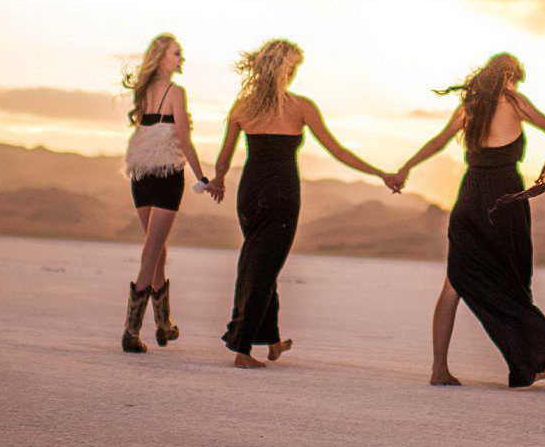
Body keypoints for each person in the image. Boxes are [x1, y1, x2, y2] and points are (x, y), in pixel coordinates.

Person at [208, 30, 392, 362]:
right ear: (286, 71)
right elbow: (338, 151)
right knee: (263, 267)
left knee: (261, 262)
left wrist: (219, 181)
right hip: (282, 194)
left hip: (249, 193)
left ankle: (273, 340)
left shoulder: (242, 106)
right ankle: (242, 346)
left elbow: (224, 158)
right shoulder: (301, 107)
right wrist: (380, 173)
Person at [389, 48, 545, 388]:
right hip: (504, 201)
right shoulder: (514, 102)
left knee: (455, 281)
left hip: (469, 199)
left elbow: (438, 142)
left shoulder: (469, 108)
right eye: (514, 80)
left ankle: (439, 369)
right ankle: (529, 360)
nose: (514, 86)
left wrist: (405, 168)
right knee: (513, 279)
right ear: (508, 76)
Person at [121, 22, 215, 348]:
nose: (180, 58)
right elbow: (184, 140)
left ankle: (164, 325)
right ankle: (131, 332)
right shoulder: (176, 94)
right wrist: (203, 178)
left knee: (157, 250)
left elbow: (145, 129)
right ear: (162, 57)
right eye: (176, 53)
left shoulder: (142, 91)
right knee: (151, 253)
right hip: (165, 176)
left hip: (141, 176)